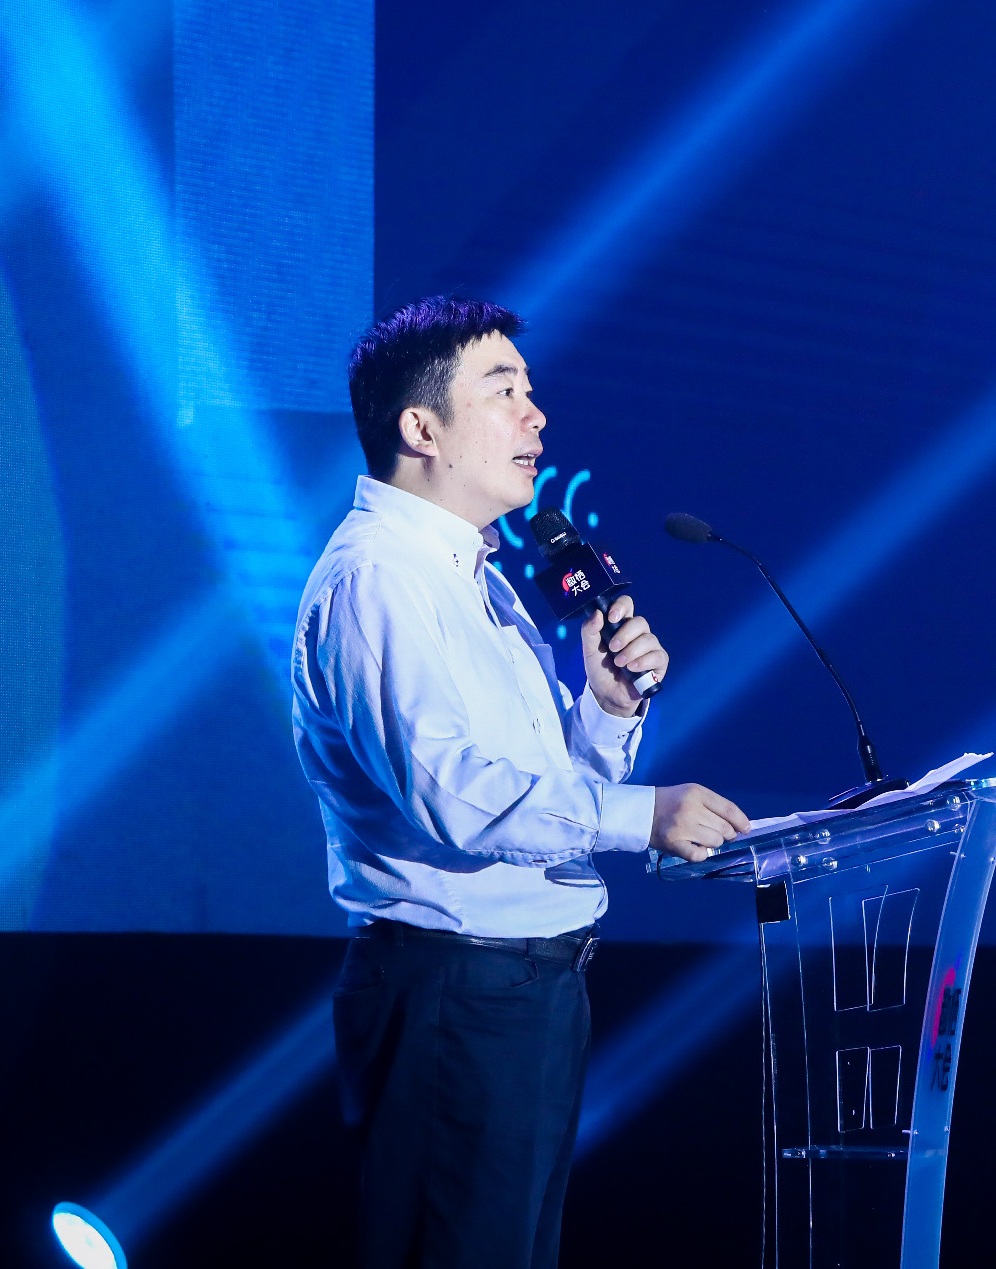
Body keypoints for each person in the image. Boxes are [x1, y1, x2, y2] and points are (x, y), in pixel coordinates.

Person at [291, 295, 749, 1268]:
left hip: (526, 990)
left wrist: (607, 708)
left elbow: (538, 795)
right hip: (454, 991)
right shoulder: (379, 578)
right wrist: (645, 816)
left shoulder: (479, 575)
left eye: (530, 391)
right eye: (503, 391)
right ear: (421, 428)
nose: (536, 415)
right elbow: (457, 798)